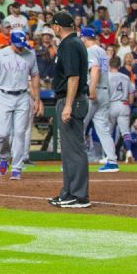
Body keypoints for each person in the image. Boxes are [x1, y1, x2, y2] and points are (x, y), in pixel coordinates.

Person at [0, 30, 42, 180]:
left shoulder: (30, 55)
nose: (21, 48)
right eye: (18, 45)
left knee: (20, 133)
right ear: (11, 42)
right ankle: (4, 157)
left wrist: (37, 99)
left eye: (22, 45)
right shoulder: (1, 55)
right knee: (3, 134)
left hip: (23, 95)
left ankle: (17, 167)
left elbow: (35, 76)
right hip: (4, 95)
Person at [48, 12, 92, 208]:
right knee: (68, 151)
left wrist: (68, 105)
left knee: (74, 150)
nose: (52, 30)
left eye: (53, 26)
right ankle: (68, 192)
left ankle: (79, 195)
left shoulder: (70, 45)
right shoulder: (73, 43)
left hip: (71, 100)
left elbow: (73, 77)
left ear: (58, 26)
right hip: (70, 99)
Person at [81, 28, 118, 172]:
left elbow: (95, 69)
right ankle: (112, 161)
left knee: (79, 127)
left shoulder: (90, 51)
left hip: (94, 91)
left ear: (84, 38)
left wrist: (92, 90)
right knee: (103, 129)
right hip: (104, 92)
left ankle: (74, 162)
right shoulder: (102, 50)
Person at [106, 57, 135, 163]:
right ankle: (129, 153)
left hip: (111, 104)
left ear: (109, 65)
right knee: (126, 132)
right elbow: (131, 95)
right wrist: (129, 105)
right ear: (119, 65)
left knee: (108, 133)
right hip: (124, 104)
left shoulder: (107, 77)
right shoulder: (126, 77)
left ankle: (109, 156)